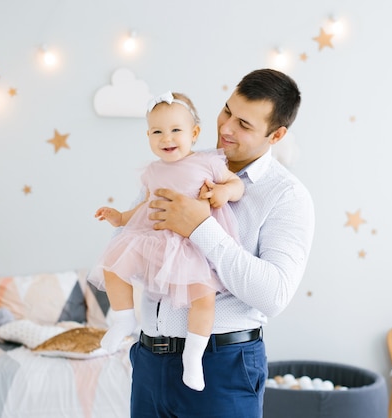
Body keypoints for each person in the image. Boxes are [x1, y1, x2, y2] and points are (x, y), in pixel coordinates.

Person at [129, 68, 315, 418]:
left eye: (245, 125)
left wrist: (199, 227)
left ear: (276, 135)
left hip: (222, 367)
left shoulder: (287, 196)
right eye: (227, 110)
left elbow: (274, 295)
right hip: (149, 361)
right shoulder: (178, 162)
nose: (226, 128)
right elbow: (130, 248)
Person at [88, 91, 244, 392]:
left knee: (203, 298)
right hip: (154, 241)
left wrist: (224, 193)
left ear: (194, 133)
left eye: (175, 130)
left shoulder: (206, 163)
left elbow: (235, 184)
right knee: (112, 265)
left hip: (189, 246)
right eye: (157, 131)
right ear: (148, 135)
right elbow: (145, 205)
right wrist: (120, 217)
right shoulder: (153, 171)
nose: (166, 138)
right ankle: (123, 319)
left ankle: (193, 355)